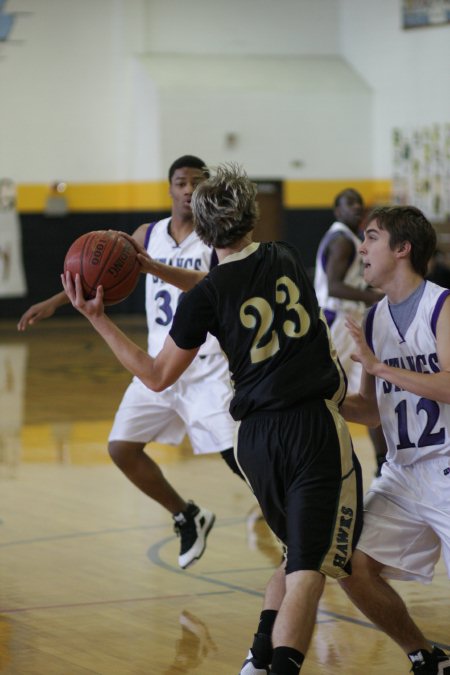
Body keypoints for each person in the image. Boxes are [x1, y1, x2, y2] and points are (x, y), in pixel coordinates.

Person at [61, 163, 363, 675]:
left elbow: (156, 374)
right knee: (309, 570)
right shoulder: (284, 255)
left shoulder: (204, 297)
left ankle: (256, 659)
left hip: (254, 437)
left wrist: (99, 319)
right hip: (310, 427)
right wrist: (154, 268)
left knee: (294, 555)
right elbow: (226, 277)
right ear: (253, 219)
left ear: (200, 231)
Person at [17, 155, 241, 570]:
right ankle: (187, 515)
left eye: (197, 182)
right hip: (158, 363)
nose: (189, 189)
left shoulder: (218, 240)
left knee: (241, 461)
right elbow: (96, 273)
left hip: (208, 366)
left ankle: (293, 523)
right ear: (170, 188)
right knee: (122, 449)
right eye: (181, 182)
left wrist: (155, 268)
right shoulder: (146, 233)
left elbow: (211, 286)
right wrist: (54, 301)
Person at [339, 205, 450, 675]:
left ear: (402, 249)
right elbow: (372, 410)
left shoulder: (442, 305)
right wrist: (320, 398)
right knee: (349, 565)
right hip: (403, 474)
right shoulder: (373, 319)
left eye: (372, 238)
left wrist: (380, 367)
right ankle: (423, 655)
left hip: (447, 465)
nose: (361, 248)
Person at [314, 188, 388, 476]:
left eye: (359, 202)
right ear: (337, 210)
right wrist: (376, 297)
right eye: (349, 203)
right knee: (327, 393)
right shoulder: (343, 240)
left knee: (372, 398)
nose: (356, 207)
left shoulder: (348, 237)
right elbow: (334, 287)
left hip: (350, 322)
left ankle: (383, 466)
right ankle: (320, 461)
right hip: (336, 322)